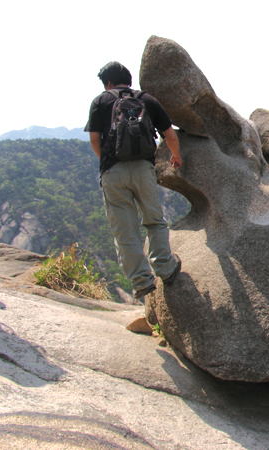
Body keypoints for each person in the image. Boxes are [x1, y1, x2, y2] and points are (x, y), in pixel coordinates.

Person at [85, 61, 181, 299]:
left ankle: (141, 282)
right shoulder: (147, 99)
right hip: (143, 169)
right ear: (128, 79)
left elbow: (95, 140)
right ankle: (166, 269)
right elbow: (170, 135)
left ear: (107, 82)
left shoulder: (100, 101)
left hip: (113, 172)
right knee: (154, 221)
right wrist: (175, 156)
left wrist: (108, 162)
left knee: (125, 230)